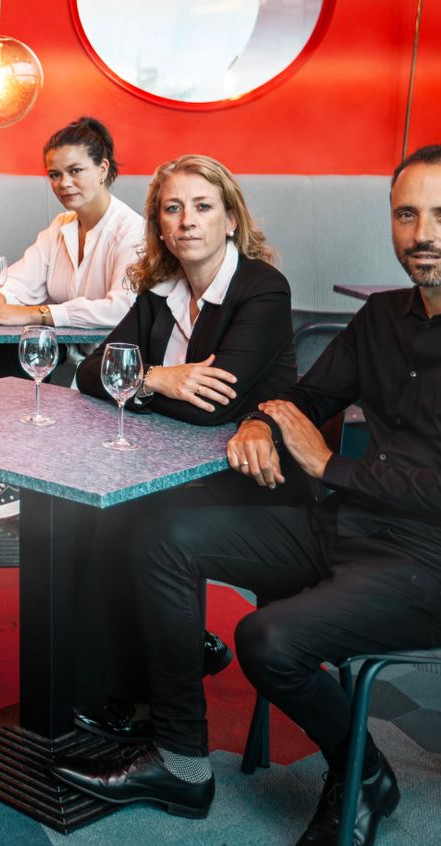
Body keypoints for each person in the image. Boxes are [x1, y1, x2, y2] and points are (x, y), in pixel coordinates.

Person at [51, 146, 441, 846]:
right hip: (347, 527)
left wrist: (329, 466)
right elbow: (306, 398)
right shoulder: (381, 317)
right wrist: (262, 424)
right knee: (159, 534)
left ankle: (364, 773)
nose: (422, 233)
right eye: (407, 214)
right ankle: (181, 761)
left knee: (268, 638)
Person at [67, 154, 304, 739]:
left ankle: (129, 692)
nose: (187, 221)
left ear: (231, 219)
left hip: (256, 477)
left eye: (203, 206)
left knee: (129, 517)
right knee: (84, 509)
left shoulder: (262, 289)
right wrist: (159, 378)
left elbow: (212, 408)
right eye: (172, 209)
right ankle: (153, 657)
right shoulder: (158, 290)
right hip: (172, 464)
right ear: (159, 224)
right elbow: (91, 373)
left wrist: (137, 386)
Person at [0, 117, 145, 530]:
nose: (64, 183)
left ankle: (18, 483)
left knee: (26, 363)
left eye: (75, 170)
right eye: (55, 175)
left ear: (103, 169)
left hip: (115, 364)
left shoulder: (131, 232)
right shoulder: (60, 227)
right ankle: (4, 476)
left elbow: (121, 308)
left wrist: (35, 313)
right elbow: (12, 281)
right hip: (68, 355)